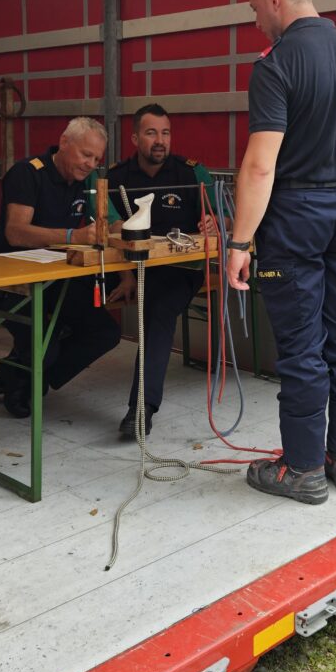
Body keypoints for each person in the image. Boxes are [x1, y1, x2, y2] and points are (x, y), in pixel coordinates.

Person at [227, 0, 336, 505]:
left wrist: (240, 241)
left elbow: (260, 166)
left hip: (296, 214)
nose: (256, 20)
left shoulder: (275, 66)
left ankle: (301, 469)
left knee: (301, 346)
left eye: (255, 8)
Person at [0, 117, 123, 418]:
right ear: (64, 142)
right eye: (86, 155)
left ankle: (20, 376)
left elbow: (111, 221)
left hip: (56, 278)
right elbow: (16, 232)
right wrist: (73, 236)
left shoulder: (88, 180)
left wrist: (130, 228)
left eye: (97, 159)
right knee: (45, 344)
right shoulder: (27, 173)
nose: (91, 164)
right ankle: (25, 375)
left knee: (105, 332)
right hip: (8, 280)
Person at [107, 104, 218, 440]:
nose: (160, 140)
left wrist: (215, 221)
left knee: (158, 311)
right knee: (69, 295)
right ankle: (20, 380)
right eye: (151, 132)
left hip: (180, 269)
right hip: (128, 268)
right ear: (134, 138)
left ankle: (141, 409)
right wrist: (127, 276)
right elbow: (109, 228)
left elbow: (225, 218)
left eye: (165, 133)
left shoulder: (192, 173)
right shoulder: (115, 178)